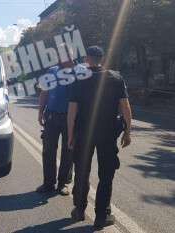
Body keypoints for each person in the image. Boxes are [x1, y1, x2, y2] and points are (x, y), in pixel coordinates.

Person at [67, 46, 132, 229]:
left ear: (87, 59)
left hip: (84, 133)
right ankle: (101, 217)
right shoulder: (116, 78)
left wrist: (70, 136)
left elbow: (72, 112)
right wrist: (128, 131)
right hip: (107, 133)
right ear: (102, 59)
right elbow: (125, 107)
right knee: (106, 175)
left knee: (82, 172)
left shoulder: (78, 80)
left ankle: (79, 210)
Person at [36, 58, 74, 196]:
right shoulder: (51, 71)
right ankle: (48, 183)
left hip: (71, 118)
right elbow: (44, 92)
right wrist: (40, 111)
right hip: (52, 116)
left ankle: (63, 183)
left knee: (68, 151)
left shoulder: (78, 72)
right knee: (48, 150)